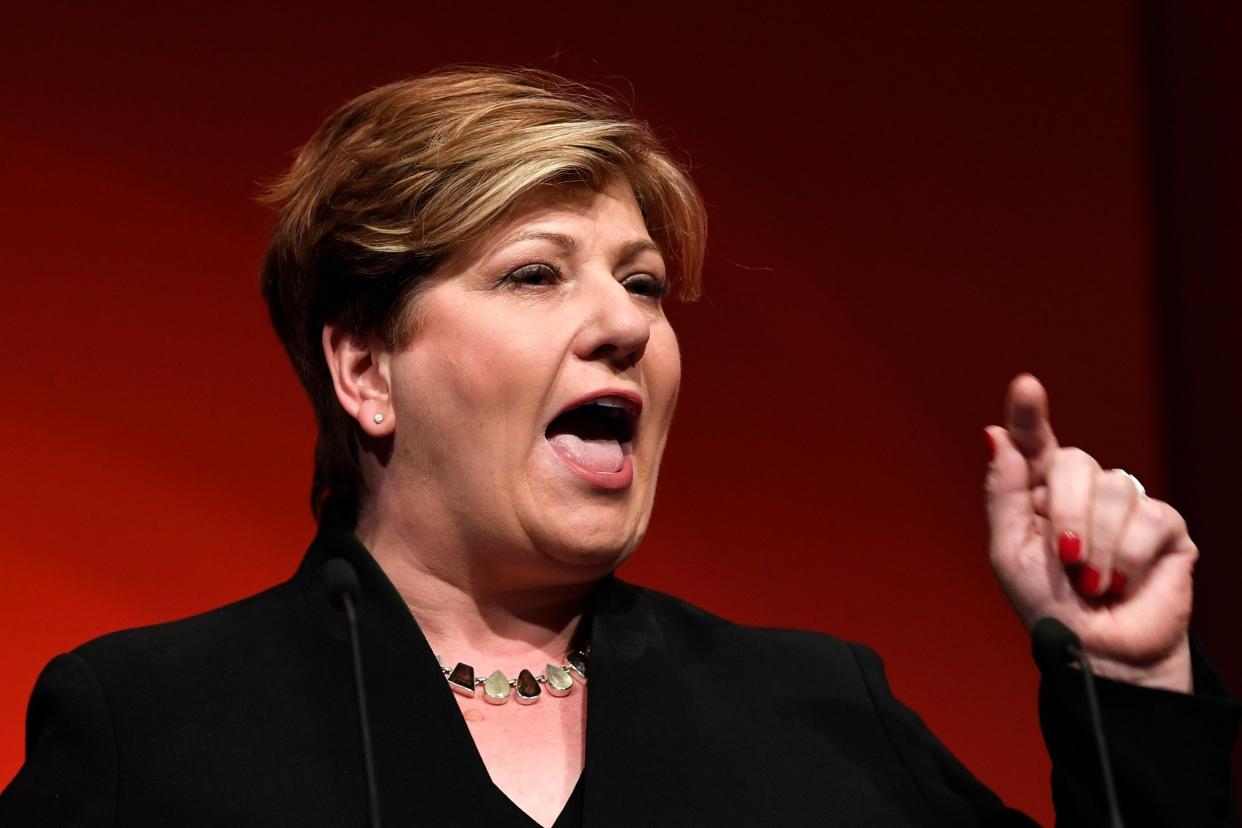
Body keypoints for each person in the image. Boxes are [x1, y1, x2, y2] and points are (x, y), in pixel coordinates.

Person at [0, 66, 1237, 827]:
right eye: (537, 274)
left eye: (644, 285)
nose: (625, 326)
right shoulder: (153, 726)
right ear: (366, 371)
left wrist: (1129, 683)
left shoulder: (817, 713)